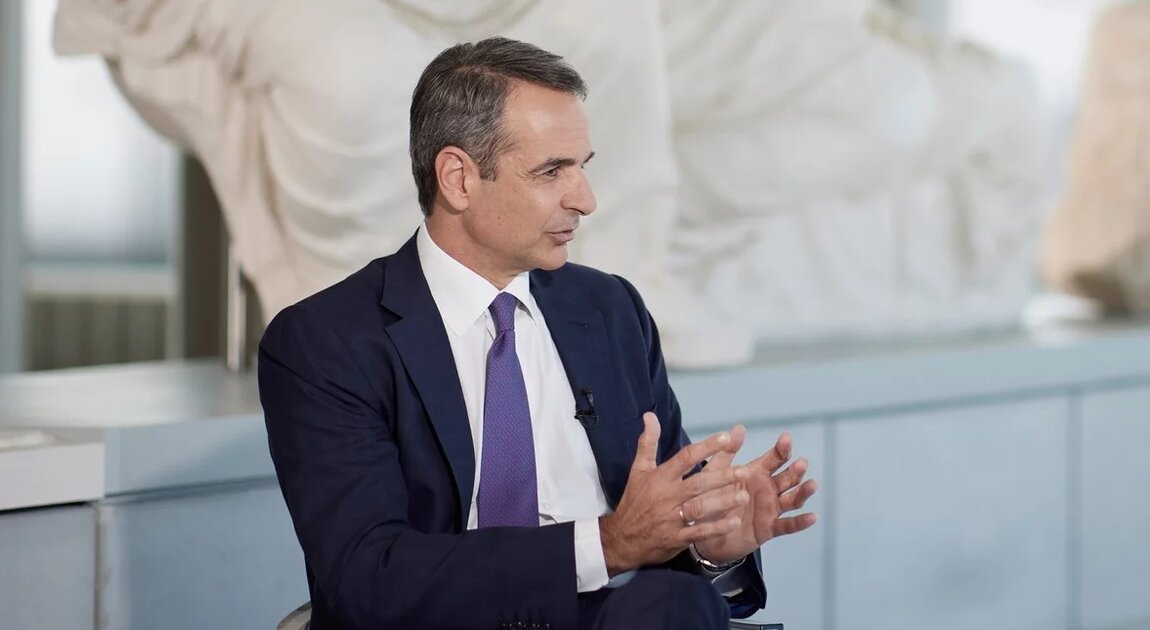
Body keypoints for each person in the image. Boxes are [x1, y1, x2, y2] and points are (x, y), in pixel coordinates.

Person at [259, 37, 818, 630]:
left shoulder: (610, 310)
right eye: (552, 171)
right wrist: (604, 545)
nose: (586, 200)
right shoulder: (326, 343)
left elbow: (665, 536)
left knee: (679, 606)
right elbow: (366, 579)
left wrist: (709, 542)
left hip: (626, 618)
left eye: (583, 167)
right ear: (458, 178)